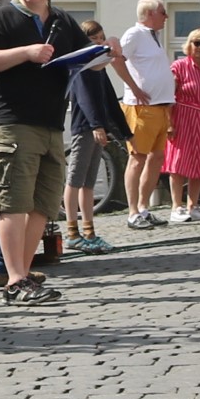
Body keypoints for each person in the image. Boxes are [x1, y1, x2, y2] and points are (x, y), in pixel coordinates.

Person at [0, 0, 85, 304]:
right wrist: (27, 52)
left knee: (43, 205)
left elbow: (86, 56)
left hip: (51, 125)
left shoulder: (63, 20)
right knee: (13, 203)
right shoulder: (3, 16)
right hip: (12, 123)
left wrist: (105, 54)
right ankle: (14, 279)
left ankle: (21, 271)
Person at [111, 0, 174, 229]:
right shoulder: (134, 34)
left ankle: (144, 207)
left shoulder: (153, 37)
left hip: (160, 106)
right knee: (137, 158)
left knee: (156, 158)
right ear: (149, 14)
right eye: (162, 12)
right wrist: (134, 87)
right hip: (141, 108)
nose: (166, 17)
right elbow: (116, 59)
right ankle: (132, 212)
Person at [61, 18, 120, 255]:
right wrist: (96, 125)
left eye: (101, 38)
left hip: (97, 129)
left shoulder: (99, 68)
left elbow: (108, 99)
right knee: (75, 180)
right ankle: (72, 232)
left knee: (88, 183)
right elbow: (85, 99)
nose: (99, 43)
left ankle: (89, 231)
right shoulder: (80, 67)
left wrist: (121, 131)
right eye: (94, 39)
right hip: (84, 129)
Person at [163, 29, 200, 220]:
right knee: (179, 163)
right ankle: (176, 207)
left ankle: (193, 205)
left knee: (199, 164)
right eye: (197, 43)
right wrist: (169, 122)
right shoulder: (179, 66)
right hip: (183, 117)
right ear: (189, 44)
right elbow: (169, 96)